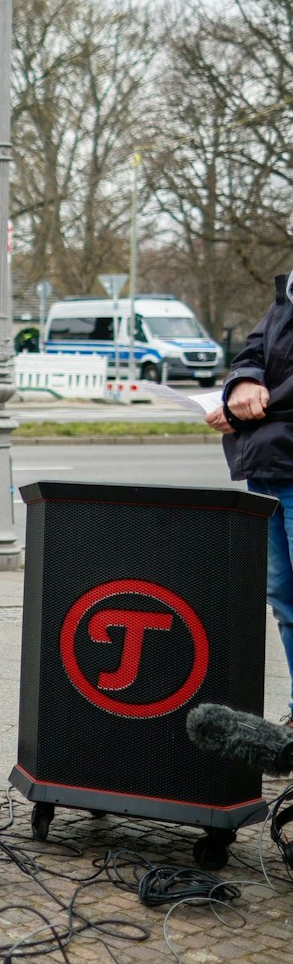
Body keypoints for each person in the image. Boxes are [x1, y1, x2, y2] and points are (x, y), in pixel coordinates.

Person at [208, 275, 292, 721]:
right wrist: (240, 383)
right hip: (269, 469)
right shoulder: (286, 296)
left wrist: (244, 410)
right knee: (284, 600)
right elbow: (251, 353)